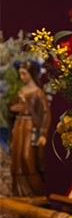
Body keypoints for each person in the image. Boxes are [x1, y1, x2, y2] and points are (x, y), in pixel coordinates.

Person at [9, 60, 50, 197]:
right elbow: (11, 108)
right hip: (19, 126)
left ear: (31, 74)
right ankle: (18, 192)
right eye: (20, 74)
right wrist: (14, 109)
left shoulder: (38, 93)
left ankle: (34, 192)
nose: (22, 77)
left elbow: (45, 113)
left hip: (30, 128)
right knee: (17, 158)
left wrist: (43, 134)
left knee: (28, 158)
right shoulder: (20, 92)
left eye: (24, 74)